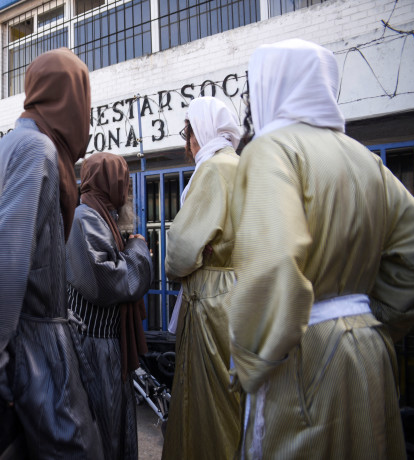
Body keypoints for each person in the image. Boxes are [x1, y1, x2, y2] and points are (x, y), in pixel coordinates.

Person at [227, 39, 414, 459]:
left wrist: (249, 358)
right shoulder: (364, 158)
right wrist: (370, 320)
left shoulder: (271, 149)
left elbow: (274, 264)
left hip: (302, 357)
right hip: (371, 353)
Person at [0, 48, 103, 458]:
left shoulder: (4, 150)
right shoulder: (37, 151)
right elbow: (1, 263)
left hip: (19, 346)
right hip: (36, 353)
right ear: (71, 98)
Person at [161, 97, 242, 460]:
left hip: (212, 303)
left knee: (207, 412)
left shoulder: (213, 170)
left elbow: (179, 252)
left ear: (203, 132)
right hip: (241, 297)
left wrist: (194, 257)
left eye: (188, 132)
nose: (186, 142)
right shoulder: (242, 165)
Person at [65, 152, 152, 459]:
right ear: (107, 182)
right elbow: (106, 282)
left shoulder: (101, 216)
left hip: (107, 345)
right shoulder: (84, 218)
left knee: (115, 426)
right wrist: (138, 250)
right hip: (94, 347)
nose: (127, 189)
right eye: (123, 182)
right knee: (104, 429)